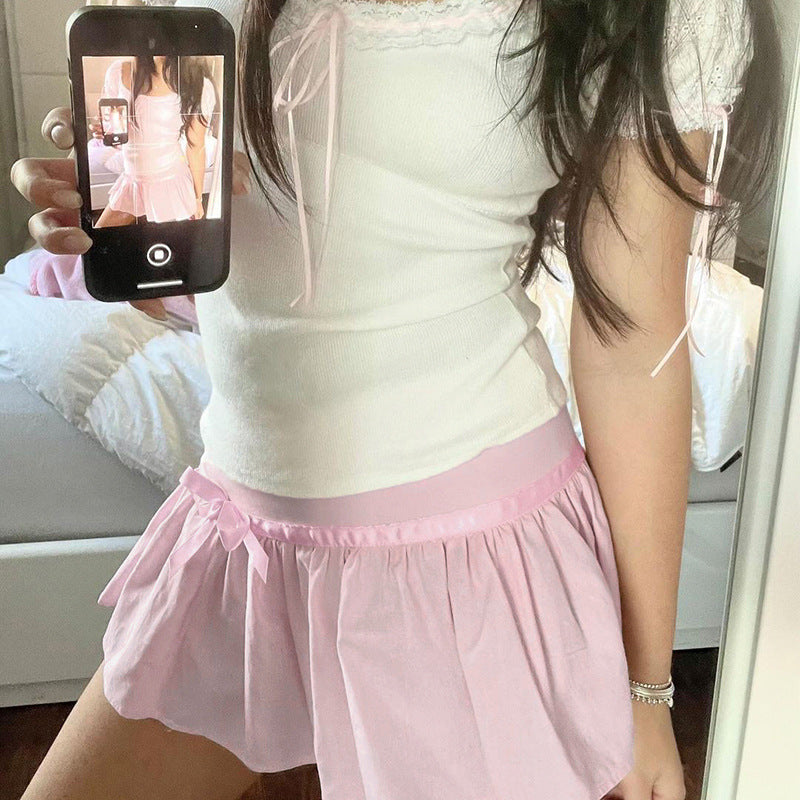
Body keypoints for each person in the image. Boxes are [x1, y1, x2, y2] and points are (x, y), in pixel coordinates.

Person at [9, 0, 780, 798]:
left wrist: (646, 691)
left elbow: (633, 344)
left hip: (466, 565)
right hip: (243, 539)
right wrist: (131, 216)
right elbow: (222, 245)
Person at [94, 55, 216, 228]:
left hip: (171, 183)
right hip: (133, 181)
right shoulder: (119, 72)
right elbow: (120, 135)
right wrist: (106, 130)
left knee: (172, 244)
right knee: (98, 239)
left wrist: (197, 199)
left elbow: (196, 147)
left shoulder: (196, 82)